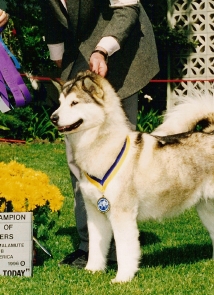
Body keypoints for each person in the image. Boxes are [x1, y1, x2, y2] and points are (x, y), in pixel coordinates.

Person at [39, 0, 159, 267]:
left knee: (122, 154)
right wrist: (56, 53)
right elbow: (52, 15)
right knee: (77, 156)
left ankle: (121, 243)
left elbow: (127, 9)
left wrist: (102, 49)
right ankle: (89, 245)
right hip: (79, 50)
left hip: (123, 46)